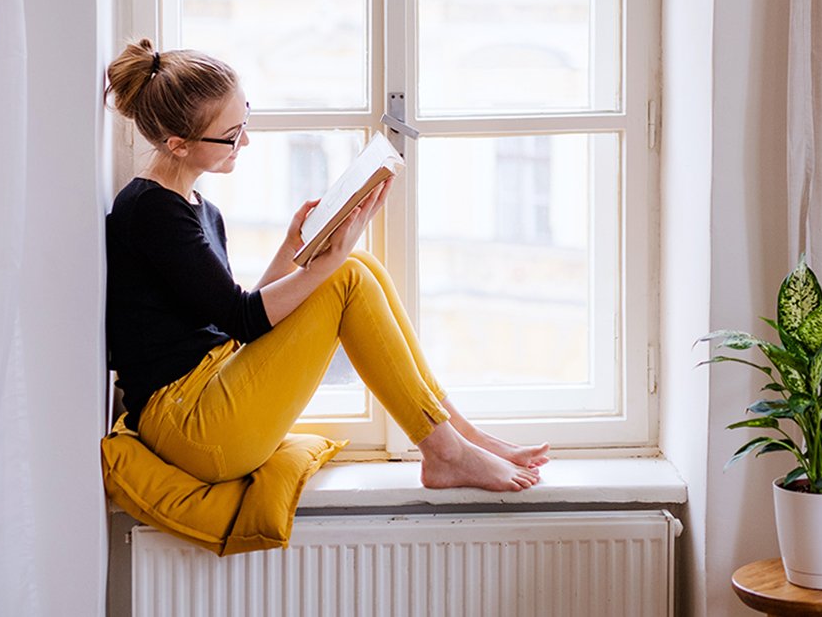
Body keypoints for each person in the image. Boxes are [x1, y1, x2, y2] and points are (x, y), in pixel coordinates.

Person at [105, 39, 549, 492]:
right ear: (179, 145)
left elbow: (229, 322)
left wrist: (291, 247)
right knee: (347, 274)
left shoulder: (196, 206)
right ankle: (446, 451)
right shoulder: (150, 211)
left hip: (206, 392)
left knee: (360, 264)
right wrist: (324, 264)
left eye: (246, 120)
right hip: (190, 428)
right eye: (233, 134)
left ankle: (460, 436)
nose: (246, 141)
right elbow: (242, 318)